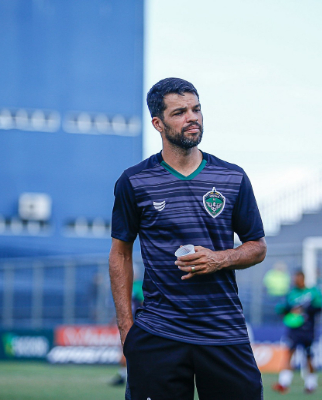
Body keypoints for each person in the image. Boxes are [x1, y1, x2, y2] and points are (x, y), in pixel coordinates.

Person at [109, 77, 267, 400]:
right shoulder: (134, 182)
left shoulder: (232, 177)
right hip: (159, 333)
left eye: (196, 109)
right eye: (179, 112)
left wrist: (218, 258)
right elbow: (120, 255)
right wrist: (127, 331)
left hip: (223, 331)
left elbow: (258, 247)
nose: (192, 117)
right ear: (158, 123)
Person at [272, 270, 322, 394]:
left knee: (308, 356)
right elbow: (281, 309)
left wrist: (303, 310)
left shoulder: (313, 292)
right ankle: (283, 383)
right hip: (294, 330)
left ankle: (311, 384)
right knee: (290, 353)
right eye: (294, 278)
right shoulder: (291, 294)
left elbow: (320, 307)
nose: (295, 280)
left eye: (298, 278)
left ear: (303, 279)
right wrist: (289, 314)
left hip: (308, 329)